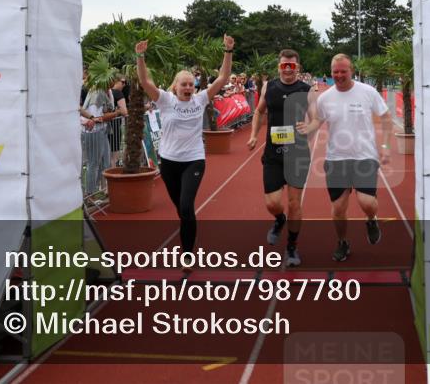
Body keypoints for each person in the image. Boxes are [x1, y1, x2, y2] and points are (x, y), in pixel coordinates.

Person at [136, 34, 234, 259]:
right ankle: (190, 231)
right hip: (169, 161)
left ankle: (187, 253)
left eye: (191, 84)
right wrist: (140, 56)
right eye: (184, 84)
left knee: (187, 205)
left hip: (194, 159)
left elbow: (222, 77)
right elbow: (145, 82)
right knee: (182, 211)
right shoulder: (165, 100)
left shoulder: (200, 99)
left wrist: (228, 51)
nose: (188, 87)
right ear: (176, 86)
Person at [297, 54, 391, 262]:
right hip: (336, 159)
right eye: (335, 72)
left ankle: (371, 218)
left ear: (352, 71)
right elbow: (318, 122)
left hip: (365, 156)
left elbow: (385, 116)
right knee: (339, 208)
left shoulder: (367, 92)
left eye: (343, 71)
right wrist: (307, 128)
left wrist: (385, 145)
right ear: (331, 72)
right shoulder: (325, 98)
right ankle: (342, 242)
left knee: (366, 202)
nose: (339, 75)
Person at [246, 49, 315, 266]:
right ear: (279, 67)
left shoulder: (307, 90)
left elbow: (316, 119)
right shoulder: (269, 87)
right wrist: (253, 135)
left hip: (297, 155)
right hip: (273, 155)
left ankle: (292, 247)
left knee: (294, 204)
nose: (287, 69)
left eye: (292, 66)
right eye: (284, 65)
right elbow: (258, 112)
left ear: (298, 68)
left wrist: (309, 128)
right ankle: (279, 220)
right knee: (273, 203)